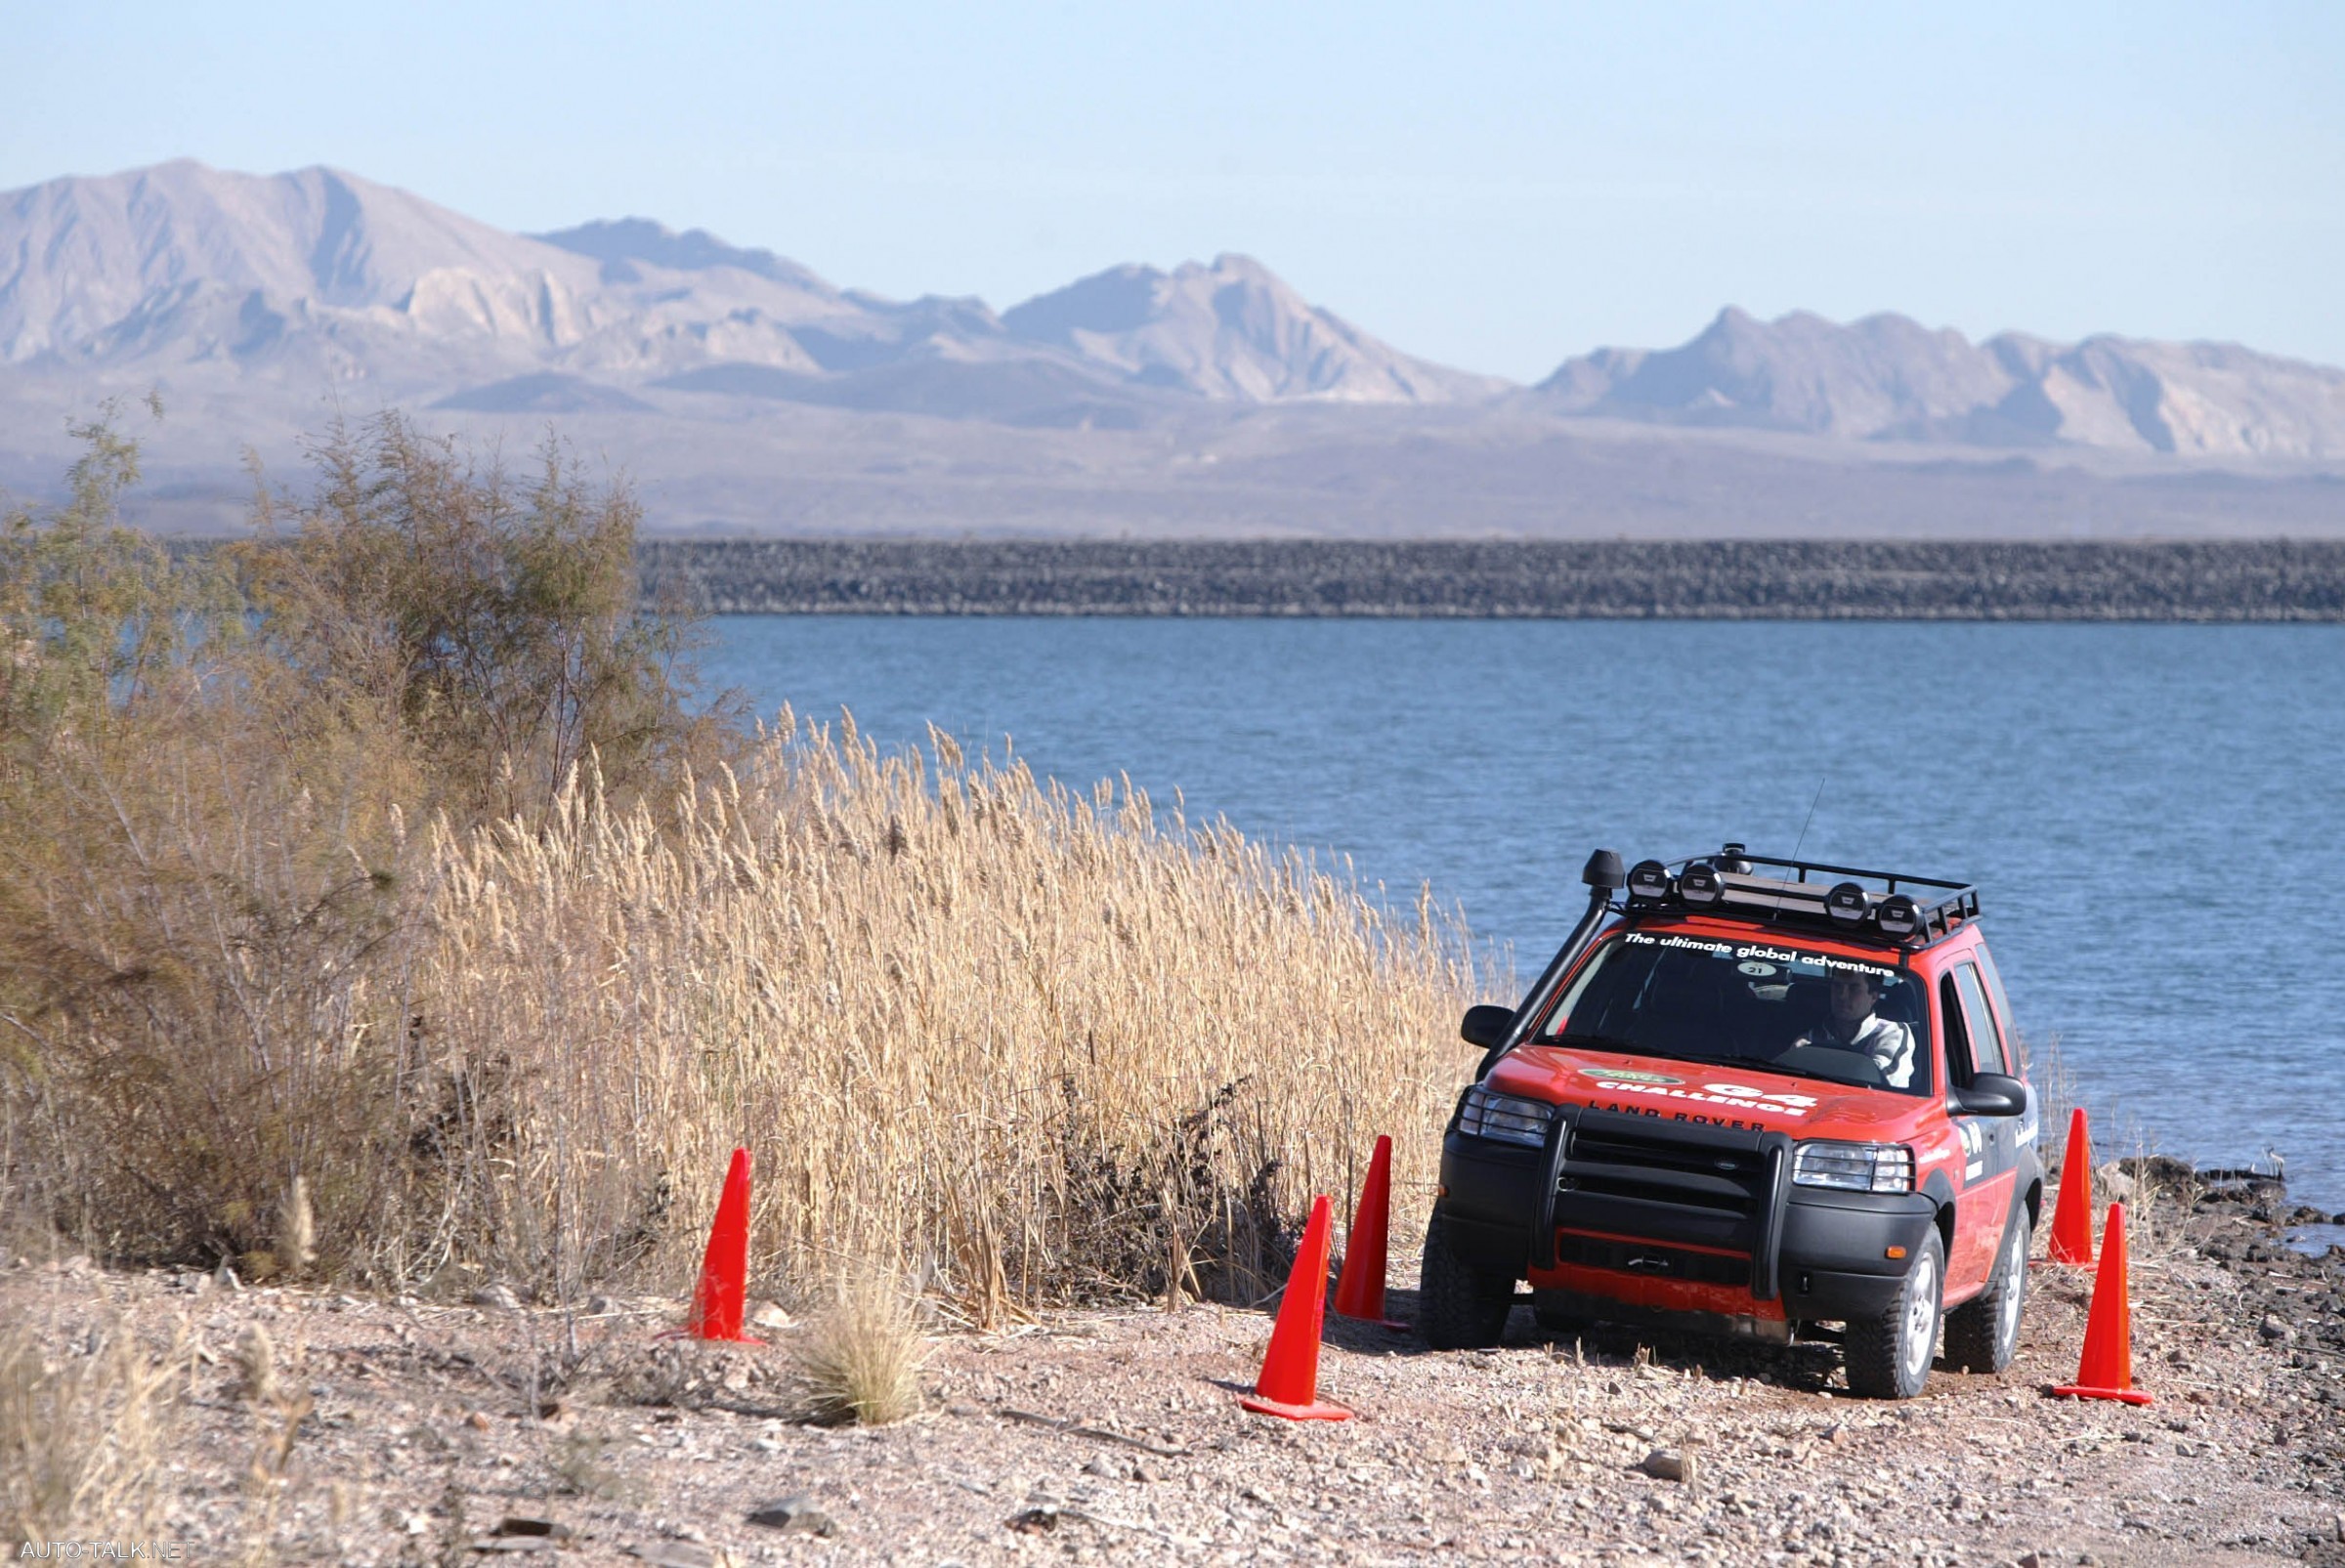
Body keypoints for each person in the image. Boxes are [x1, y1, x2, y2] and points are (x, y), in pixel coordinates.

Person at [1797, 968, 1917, 1088]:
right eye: (1837, 986)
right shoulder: (1814, 1035)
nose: (1842, 996)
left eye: (1854, 988)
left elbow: (1880, 1082)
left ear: (1874, 996)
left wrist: (1813, 1059)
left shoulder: (1892, 1033)